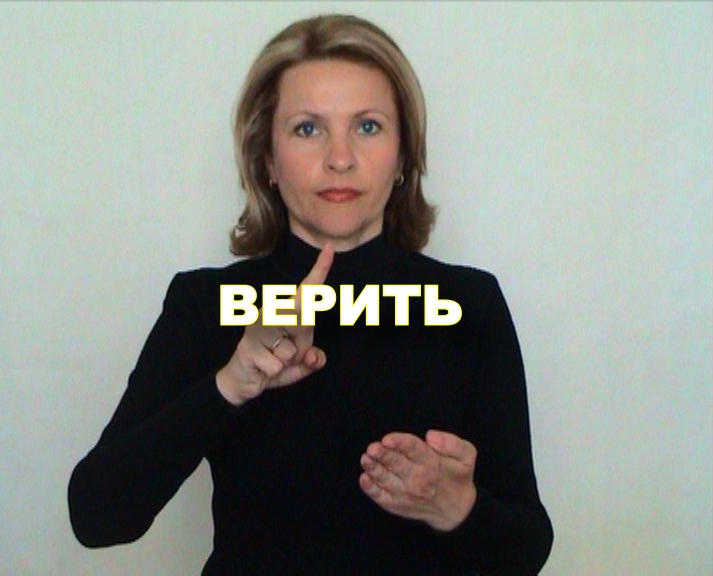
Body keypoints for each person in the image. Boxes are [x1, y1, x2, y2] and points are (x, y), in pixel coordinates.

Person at [68, 13, 553, 575]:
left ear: (403, 157)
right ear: (267, 161)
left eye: (367, 126)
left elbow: (526, 551)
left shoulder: (469, 304)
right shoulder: (206, 303)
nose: (339, 158)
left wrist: (456, 508)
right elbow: (97, 517)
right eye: (307, 129)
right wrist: (229, 385)